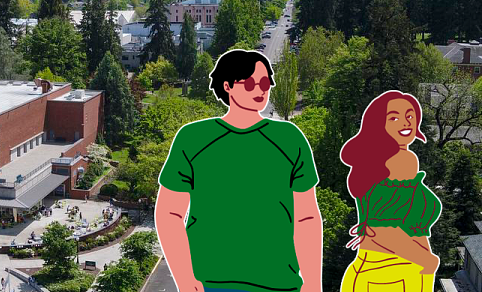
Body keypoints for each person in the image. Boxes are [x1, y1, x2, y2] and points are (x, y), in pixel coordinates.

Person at [155, 50, 322, 292]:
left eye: (265, 83)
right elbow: (169, 213)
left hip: (280, 284)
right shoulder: (193, 139)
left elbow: (306, 217)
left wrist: (314, 284)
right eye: (250, 83)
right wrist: (185, 280)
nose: (260, 89)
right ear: (227, 86)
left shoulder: (290, 139)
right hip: (211, 284)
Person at [338, 91, 442, 291]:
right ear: (379, 124)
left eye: (410, 116)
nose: (405, 123)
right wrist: (427, 260)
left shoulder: (375, 159)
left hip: (379, 269)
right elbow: (381, 228)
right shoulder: (400, 160)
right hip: (393, 272)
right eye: (394, 117)